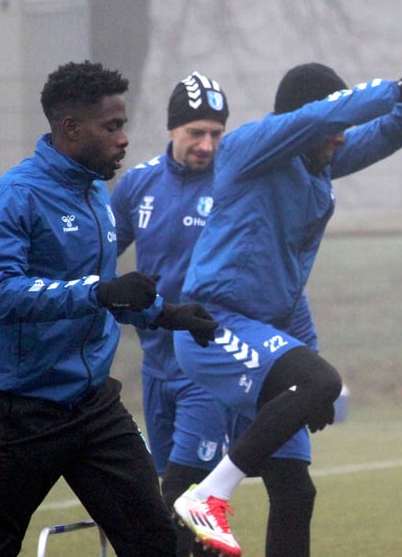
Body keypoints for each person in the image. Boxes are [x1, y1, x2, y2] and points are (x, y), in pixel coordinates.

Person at [170, 62, 402, 557]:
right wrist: (392, 88)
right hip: (213, 328)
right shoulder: (250, 148)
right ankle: (209, 495)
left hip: (266, 335)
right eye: (334, 130)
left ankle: (205, 498)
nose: (341, 141)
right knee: (319, 386)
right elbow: (322, 121)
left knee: (296, 492)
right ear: (308, 122)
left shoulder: (317, 162)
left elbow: (381, 135)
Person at [0, 61, 218, 557]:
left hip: (94, 407)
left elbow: (108, 294)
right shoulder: (14, 196)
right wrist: (98, 293)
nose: (123, 138)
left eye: (122, 124)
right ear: (71, 129)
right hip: (21, 411)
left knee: (157, 542)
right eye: (112, 126)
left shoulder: (96, 194)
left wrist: (166, 315)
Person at [111, 71, 233, 557]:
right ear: (171, 130)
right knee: (184, 504)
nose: (207, 145)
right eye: (196, 133)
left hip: (207, 365)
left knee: (182, 502)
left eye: (216, 134)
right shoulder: (137, 185)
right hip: (155, 366)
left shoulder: (234, 186)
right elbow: (96, 261)